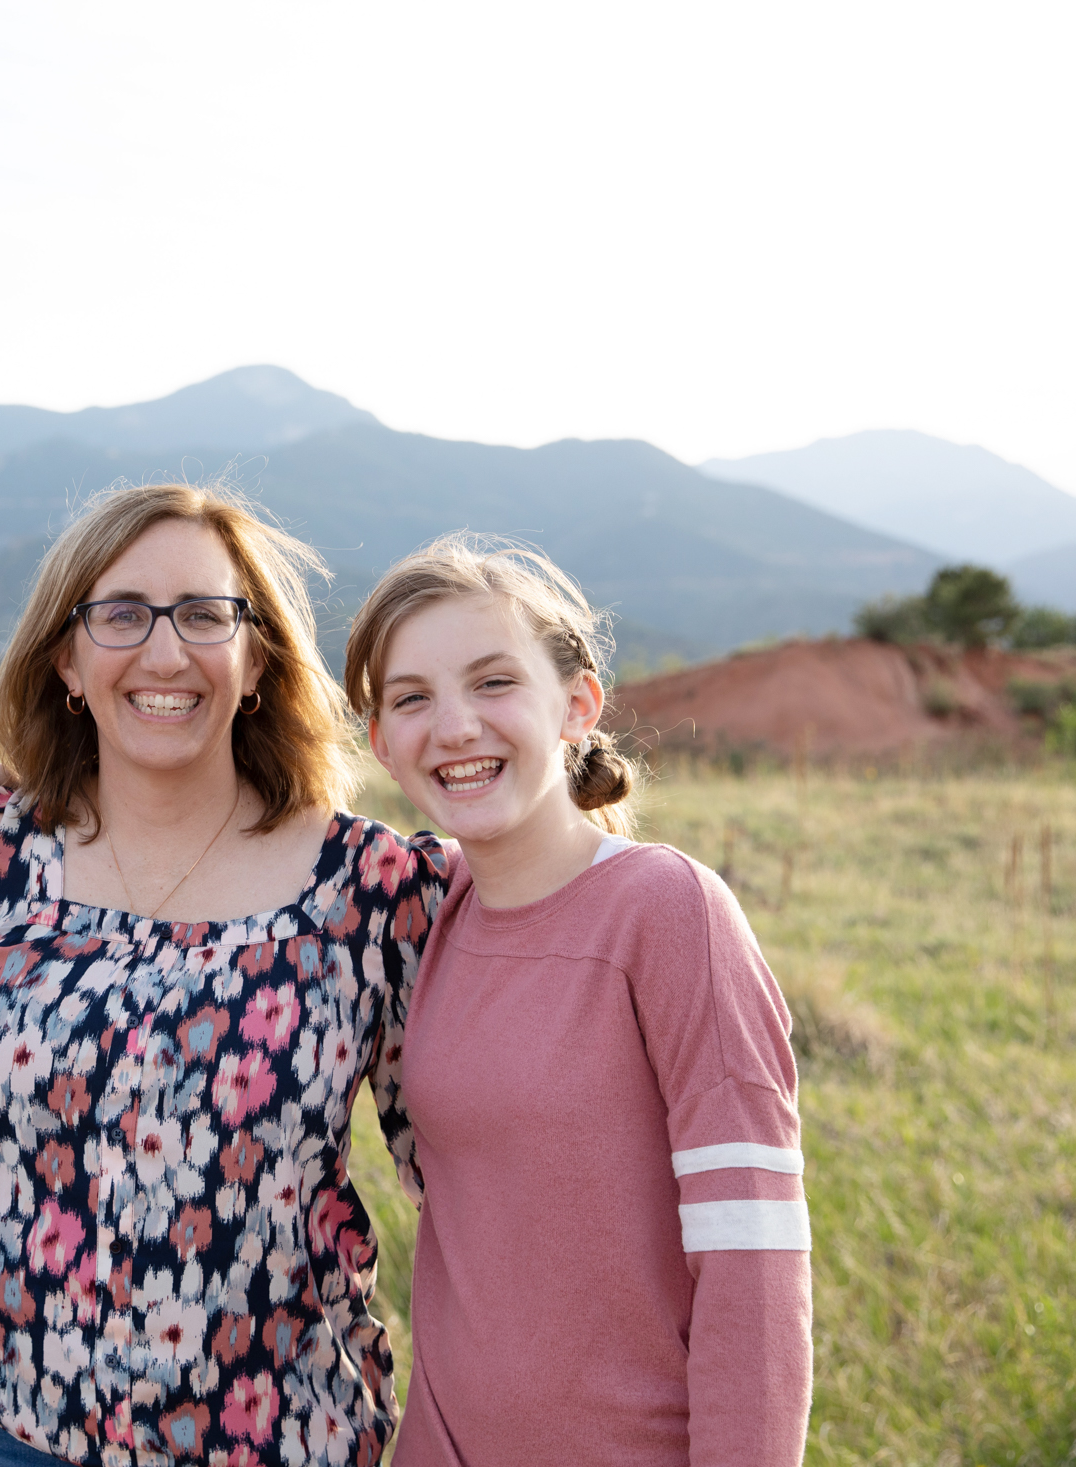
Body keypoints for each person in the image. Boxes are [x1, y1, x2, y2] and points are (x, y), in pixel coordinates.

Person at [0, 482, 444, 1466]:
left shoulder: (370, 889)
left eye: (205, 615)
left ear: (254, 659)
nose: (164, 652)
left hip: (277, 1435)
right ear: (65, 660)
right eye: (120, 615)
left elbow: (472, 1193)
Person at [345, 534, 812, 1466]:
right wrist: (14, 798)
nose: (455, 727)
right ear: (381, 742)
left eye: (493, 683)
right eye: (412, 699)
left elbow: (753, 1259)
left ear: (577, 703)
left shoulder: (668, 910)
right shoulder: (430, 908)